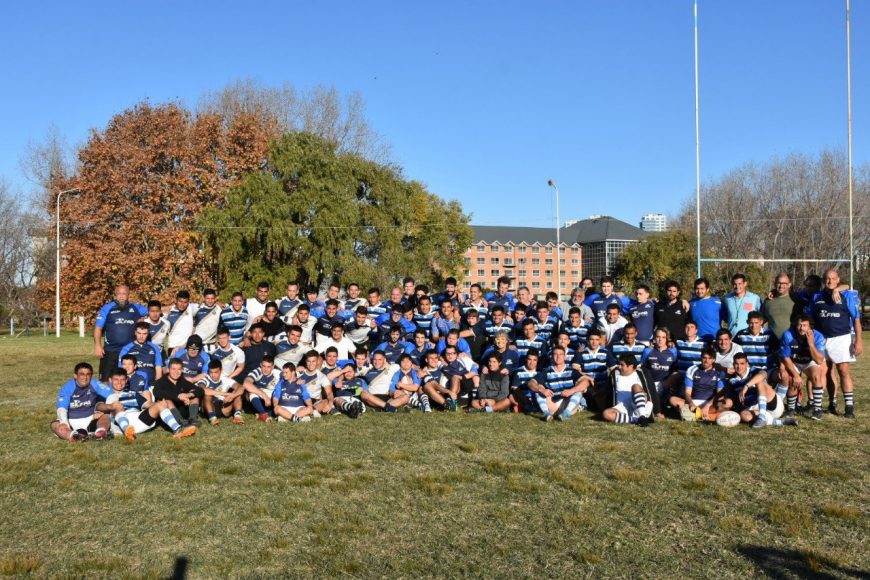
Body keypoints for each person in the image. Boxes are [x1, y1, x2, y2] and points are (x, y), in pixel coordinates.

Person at [810, 269, 862, 418]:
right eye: (827, 279)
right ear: (823, 280)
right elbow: (810, 319)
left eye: (833, 278)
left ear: (838, 279)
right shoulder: (817, 297)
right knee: (824, 371)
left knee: (843, 371)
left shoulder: (847, 296)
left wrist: (858, 340)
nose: (830, 281)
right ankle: (830, 403)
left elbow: (856, 319)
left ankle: (849, 407)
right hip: (821, 339)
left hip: (841, 338)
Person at [107, 367, 187, 441]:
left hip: (137, 419)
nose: (119, 382)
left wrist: (159, 404)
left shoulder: (133, 394)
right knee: (117, 406)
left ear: (126, 380)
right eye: (116, 379)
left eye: (122, 379)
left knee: (159, 404)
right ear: (110, 380)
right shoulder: (105, 394)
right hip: (120, 423)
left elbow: (147, 404)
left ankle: (178, 429)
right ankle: (126, 431)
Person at [721, 353, 797, 428]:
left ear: (747, 364)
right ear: (733, 364)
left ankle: (762, 417)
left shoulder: (754, 371)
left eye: (742, 363)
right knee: (744, 416)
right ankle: (781, 422)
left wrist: (746, 386)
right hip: (754, 409)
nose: (739, 366)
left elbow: (762, 375)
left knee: (760, 381)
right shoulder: (731, 380)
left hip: (772, 405)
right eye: (736, 364)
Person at [94, 285, 148, 381]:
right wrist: (98, 345)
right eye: (119, 294)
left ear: (128, 295)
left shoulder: (136, 308)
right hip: (110, 351)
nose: (121, 296)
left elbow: (154, 310)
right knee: (105, 380)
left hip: (129, 351)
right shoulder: (107, 308)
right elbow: (98, 328)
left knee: (128, 379)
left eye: (124, 294)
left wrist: (173, 307)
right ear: (115, 295)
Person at [51, 362, 117, 441]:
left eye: (88, 374)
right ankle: (73, 436)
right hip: (71, 420)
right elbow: (62, 408)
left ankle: (100, 433)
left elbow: (112, 395)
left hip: (91, 419)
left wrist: (106, 410)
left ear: (91, 376)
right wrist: (64, 423)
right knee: (54, 425)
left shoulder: (94, 383)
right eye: (82, 374)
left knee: (106, 416)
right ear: (75, 375)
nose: (85, 377)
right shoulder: (68, 387)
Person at [780, 315, 827, 420]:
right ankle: (791, 409)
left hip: (809, 361)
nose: (801, 328)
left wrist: (811, 344)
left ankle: (817, 409)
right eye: (799, 325)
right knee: (792, 380)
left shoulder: (818, 336)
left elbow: (819, 360)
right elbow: (786, 358)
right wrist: (796, 375)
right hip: (794, 362)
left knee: (816, 376)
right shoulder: (788, 335)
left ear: (810, 326)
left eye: (804, 325)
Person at [527, 345, 591, 422]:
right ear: (552, 356)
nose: (558, 356)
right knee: (538, 392)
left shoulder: (571, 371)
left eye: (561, 354)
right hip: (553, 403)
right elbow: (531, 383)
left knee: (579, 391)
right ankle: (546, 414)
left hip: (567, 403)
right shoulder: (546, 371)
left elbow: (586, 382)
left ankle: (566, 414)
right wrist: (542, 390)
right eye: (555, 354)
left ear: (564, 357)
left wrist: (571, 391)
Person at [601, 353, 658, 426]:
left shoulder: (642, 373)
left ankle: (642, 416)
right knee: (606, 414)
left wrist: (657, 411)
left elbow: (652, 391)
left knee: (635, 386)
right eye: (619, 364)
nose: (619, 366)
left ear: (630, 366)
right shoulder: (614, 374)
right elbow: (609, 393)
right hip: (622, 406)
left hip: (638, 404)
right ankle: (637, 420)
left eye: (622, 365)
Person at [733, 311, 781, 395]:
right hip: (748, 370)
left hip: (766, 369)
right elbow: (734, 351)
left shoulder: (769, 334)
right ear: (747, 322)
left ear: (761, 322)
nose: (753, 325)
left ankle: (779, 399)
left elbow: (778, 351)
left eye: (756, 323)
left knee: (783, 376)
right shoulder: (741, 335)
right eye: (751, 323)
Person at [670, 347, 723, 421]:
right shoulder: (692, 369)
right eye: (704, 358)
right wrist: (691, 403)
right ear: (701, 358)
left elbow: (719, 394)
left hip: (710, 403)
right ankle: (706, 416)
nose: (706, 361)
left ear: (713, 360)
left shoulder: (719, 372)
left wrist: (708, 405)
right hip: (694, 403)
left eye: (709, 358)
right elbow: (687, 392)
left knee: (725, 403)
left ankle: (694, 415)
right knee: (673, 399)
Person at [151, 358, 204, 431]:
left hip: (183, 410)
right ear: (168, 369)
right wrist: (178, 396)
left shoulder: (182, 381)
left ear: (182, 370)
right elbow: (157, 392)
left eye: (179, 369)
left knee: (195, 396)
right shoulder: (161, 382)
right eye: (173, 369)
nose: (176, 372)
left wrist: (188, 395)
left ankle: (193, 419)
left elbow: (200, 390)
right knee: (166, 400)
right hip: (171, 415)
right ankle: (180, 422)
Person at [641, 327, 678, 410]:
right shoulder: (647, 351)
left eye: (663, 337)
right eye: (658, 337)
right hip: (651, 384)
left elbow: (675, 367)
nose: (660, 340)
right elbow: (643, 366)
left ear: (667, 339)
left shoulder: (673, 351)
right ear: (654, 338)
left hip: (666, 384)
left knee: (676, 375)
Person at [198, 360, 245, 425]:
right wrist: (226, 394)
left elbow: (241, 388)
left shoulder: (225, 379)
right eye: (211, 372)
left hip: (223, 406)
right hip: (208, 407)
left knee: (236, 393)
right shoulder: (205, 379)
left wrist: (233, 395)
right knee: (207, 395)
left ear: (221, 370)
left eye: (215, 372)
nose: (212, 375)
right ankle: (212, 418)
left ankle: (237, 416)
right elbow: (203, 390)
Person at [761, 273, 807, 340]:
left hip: (792, 341)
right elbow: (761, 321)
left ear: (789, 285)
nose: (781, 286)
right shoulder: (768, 301)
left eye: (784, 283)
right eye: (778, 283)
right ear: (774, 284)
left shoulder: (796, 300)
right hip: (772, 341)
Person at [243, 354, 283, 422]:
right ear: (261, 365)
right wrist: (263, 395)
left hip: (273, 397)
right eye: (264, 366)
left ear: (273, 366)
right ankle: (263, 414)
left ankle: (265, 414)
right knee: (252, 392)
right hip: (260, 398)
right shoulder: (257, 371)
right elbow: (246, 383)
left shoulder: (278, 373)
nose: (265, 369)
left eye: (269, 367)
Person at [689, 277, 723, 342]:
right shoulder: (691, 303)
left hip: (714, 339)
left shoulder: (718, 302)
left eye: (702, 289)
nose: (699, 291)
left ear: (707, 289)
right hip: (697, 340)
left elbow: (727, 318)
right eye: (697, 288)